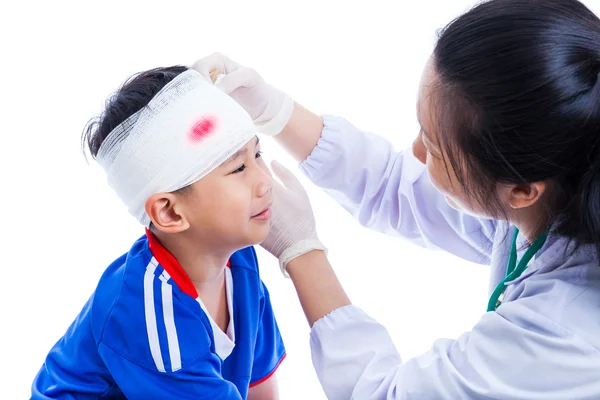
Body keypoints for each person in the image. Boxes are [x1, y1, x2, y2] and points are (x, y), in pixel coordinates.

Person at [193, 0, 600, 398]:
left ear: (522, 190)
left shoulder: (566, 331)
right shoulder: (560, 180)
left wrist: (301, 249)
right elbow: (392, 185)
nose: (416, 152)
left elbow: (385, 394)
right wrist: (274, 110)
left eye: (436, 148)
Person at [31, 66, 288, 399]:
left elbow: (260, 388)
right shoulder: (149, 310)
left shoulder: (241, 264)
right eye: (238, 168)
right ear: (169, 212)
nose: (265, 181)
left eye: (258, 154)